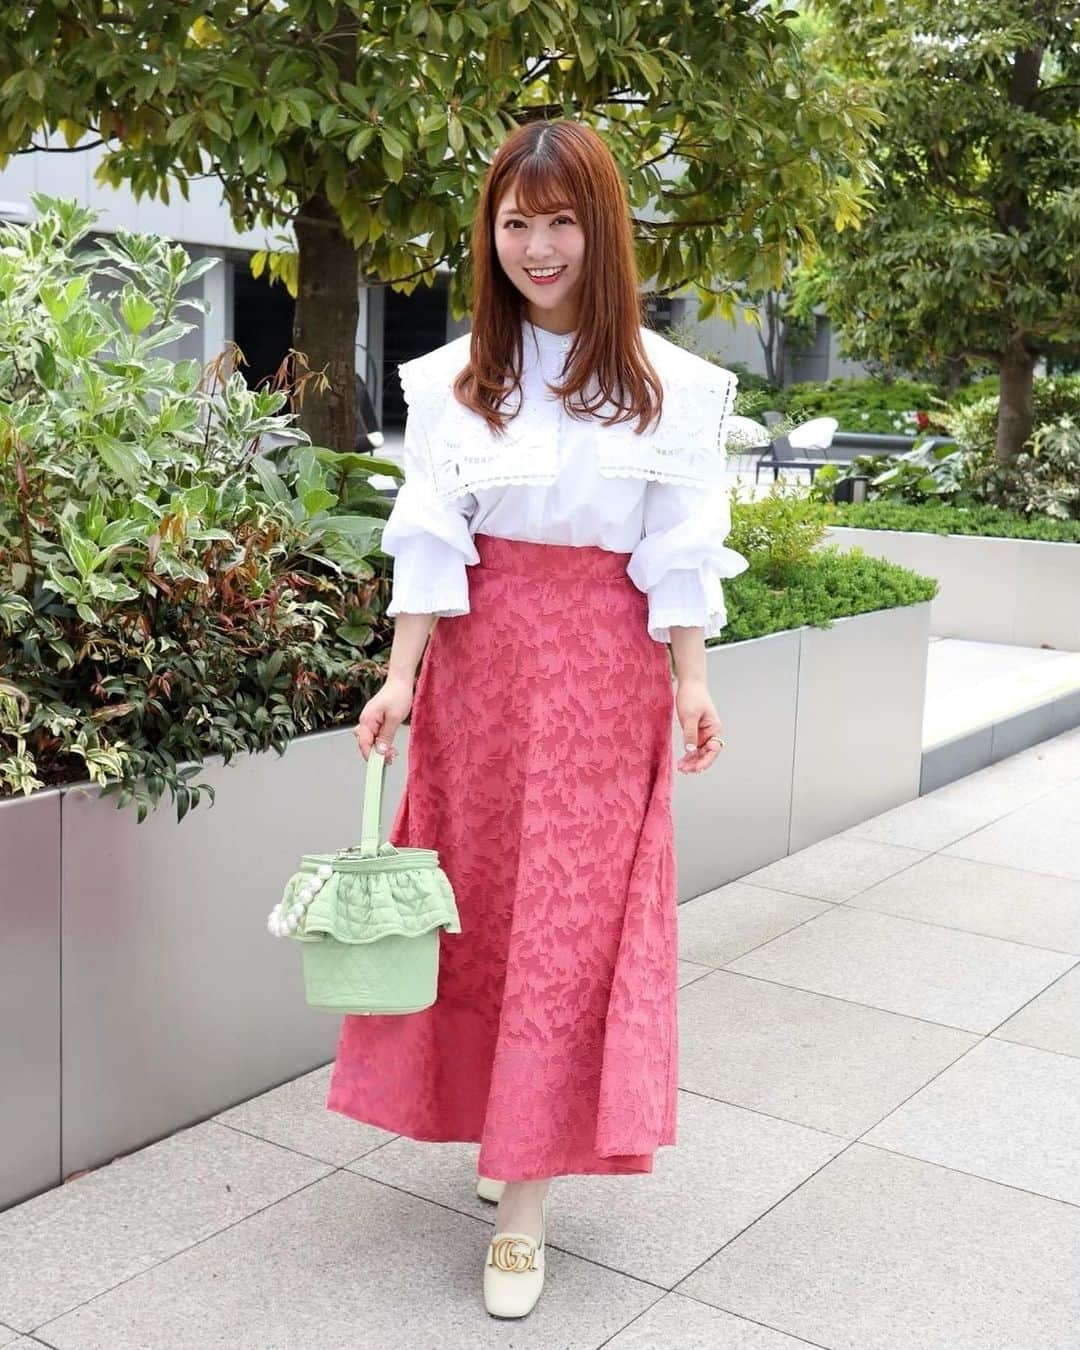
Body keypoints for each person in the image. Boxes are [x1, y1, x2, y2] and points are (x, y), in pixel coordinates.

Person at [326, 118, 750, 1320]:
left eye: (562, 220)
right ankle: (504, 1128)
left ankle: (522, 1206)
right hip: (481, 677)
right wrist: (402, 678)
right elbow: (430, 541)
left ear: (602, 229)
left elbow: (678, 555)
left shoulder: (674, 392)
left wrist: (694, 679)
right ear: (491, 233)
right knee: (487, 915)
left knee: (568, 925)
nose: (538, 245)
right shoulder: (460, 383)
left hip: (603, 681)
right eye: (517, 222)